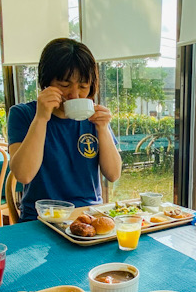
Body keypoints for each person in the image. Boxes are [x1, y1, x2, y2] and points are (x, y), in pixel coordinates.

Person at [8, 38, 122, 221]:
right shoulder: (24, 114)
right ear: (46, 81)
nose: (74, 95)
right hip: (41, 218)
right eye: (65, 85)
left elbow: (113, 174)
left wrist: (103, 129)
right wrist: (41, 118)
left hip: (87, 216)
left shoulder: (94, 117)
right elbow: (23, 175)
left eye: (83, 86)